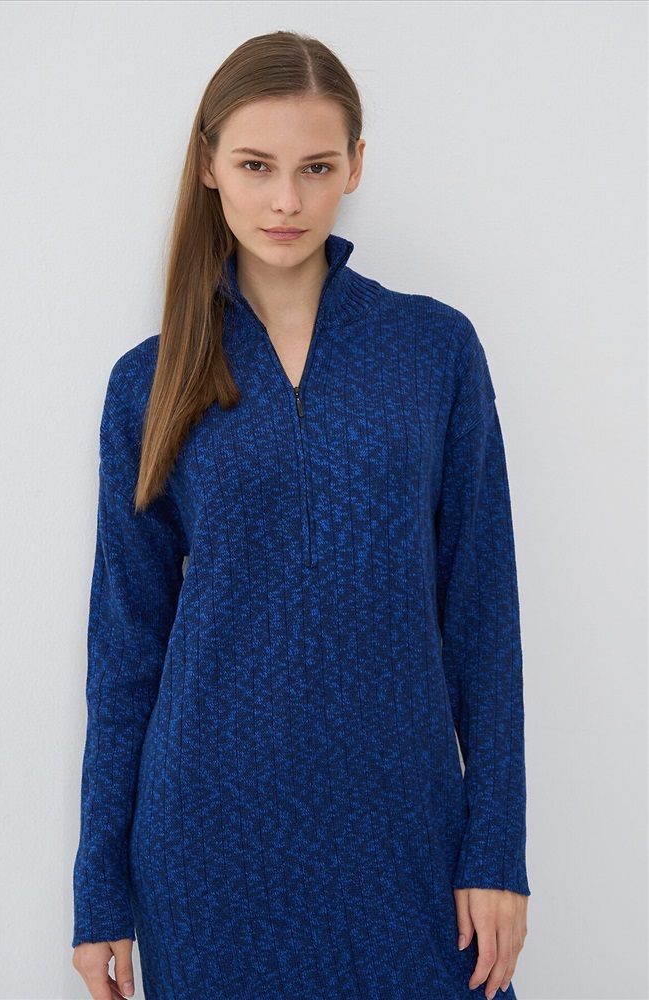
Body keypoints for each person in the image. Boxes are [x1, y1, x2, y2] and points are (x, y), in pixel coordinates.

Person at [71, 29, 530, 1000]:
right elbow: (125, 652)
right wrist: (99, 888)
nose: (285, 200)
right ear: (208, 165)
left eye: (315, 167)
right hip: (207, 839)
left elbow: (482, 616)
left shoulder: (432, 350)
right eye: (255, 165)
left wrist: (495, 847)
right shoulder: (148, 383)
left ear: (355, 165)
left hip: (406, 828)